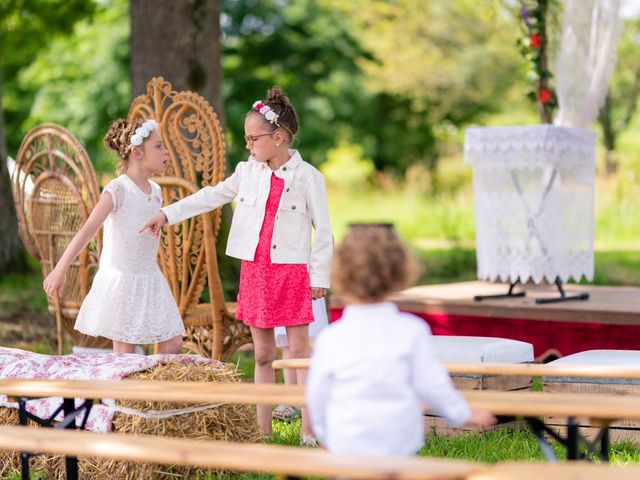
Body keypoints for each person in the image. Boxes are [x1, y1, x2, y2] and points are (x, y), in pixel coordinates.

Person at [140, 87, 332, 444]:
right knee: (261, 353)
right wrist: (167, 213)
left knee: (300, 353)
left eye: (253, 138)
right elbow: (210, 195)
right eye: (245, 139)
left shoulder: (308, 178)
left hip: (291, 273)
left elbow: (324, 232)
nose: (248, 145)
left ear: (279, 137)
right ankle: (263, 430)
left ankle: (309, 428)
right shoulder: (247, 172)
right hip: (256, 272)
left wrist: (318, 276)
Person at [306, 224, 496, 455]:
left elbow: (317, 394)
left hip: (346, 444)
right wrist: (463, 413)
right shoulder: (412, 331)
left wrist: (326, 434)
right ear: (400, 272)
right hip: (396, 445)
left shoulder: (330, 338)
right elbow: (432, 385)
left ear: (339, 275)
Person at [43, 119, 185, 354]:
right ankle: (124, 390)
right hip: (123, 280)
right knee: (125, 353)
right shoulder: (118, 189)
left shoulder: (156, 191)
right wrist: (61, 268)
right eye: (159, 146)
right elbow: (88, 230)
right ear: (137, 153)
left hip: (150, 277)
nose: (165, 152)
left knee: (173, 343)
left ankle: (154, 389)